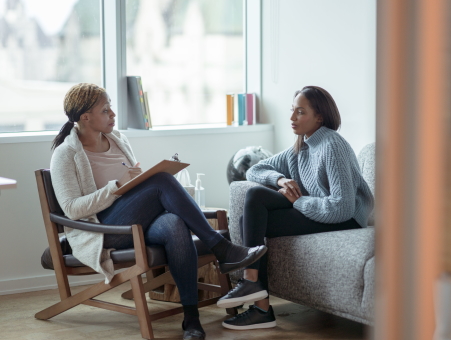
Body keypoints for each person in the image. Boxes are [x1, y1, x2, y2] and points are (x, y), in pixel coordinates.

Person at [49, 83, 267, 340]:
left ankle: (191, 319)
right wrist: (117, 186)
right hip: (103, 230)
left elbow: (131, 191)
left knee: (174, 223)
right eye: (105, 110)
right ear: (85, 117)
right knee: (161, 180)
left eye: (111, 109)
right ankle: (221, 248)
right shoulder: (66, 154)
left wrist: (132, 184)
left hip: (134, 222)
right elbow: (73, 210)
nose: (113, 115)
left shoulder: (118, 140)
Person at [217, 85, 374, 330]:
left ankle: (255, 293)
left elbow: (342, 207)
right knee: (250, 209)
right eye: (292, 111)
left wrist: (298, 201)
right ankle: (260, 303)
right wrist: (280, 180)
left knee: (254, 208)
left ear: (319, 116)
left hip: (346, 218)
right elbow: (254, 170)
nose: (292, 118)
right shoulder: (301, 146)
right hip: (319, 207)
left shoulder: (333, 145)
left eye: (300, 112)